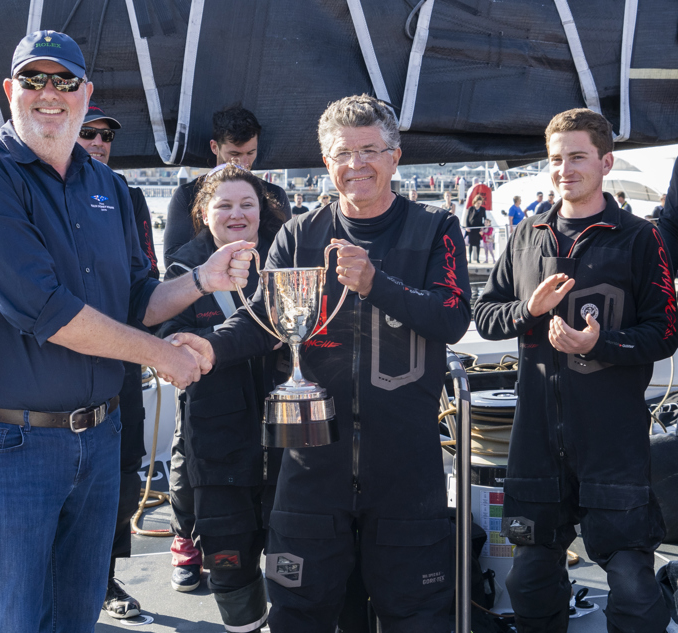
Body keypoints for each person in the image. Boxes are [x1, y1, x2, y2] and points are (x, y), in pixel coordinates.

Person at [0, 30, 250, 632]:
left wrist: (200, 281)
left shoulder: (108, 186)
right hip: (7, 444)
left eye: (64, 81)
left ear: (86, 93)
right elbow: (44, 309)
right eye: (33, 80)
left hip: (99, 439)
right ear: (10, 91)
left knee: (76, 617)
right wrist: (162, 357)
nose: (48, 93)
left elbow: (134, 300)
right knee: (8, 620)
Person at [170, 94, 471, 632]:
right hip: (310, 468)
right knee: (298, 617)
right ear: (326, 162)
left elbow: (451, 317)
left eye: (369, 150)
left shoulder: (437, 226)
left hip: (406, 473)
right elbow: (264, 319)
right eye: (341, 153)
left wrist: (377, 284)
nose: (356, 164)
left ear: (395, 156)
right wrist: (210, 347)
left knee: (417, 619)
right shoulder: (300, 234)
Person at [474, 108, 678, 633]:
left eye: (578, 157)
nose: (565, 168)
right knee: (530, 578)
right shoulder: (525, 237)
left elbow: (666, 332)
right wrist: (530, 313)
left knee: (632, 583)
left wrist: (601, 343)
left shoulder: (640, 239)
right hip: (536, 438)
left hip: (613, 441)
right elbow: (483, 314)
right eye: (556, 159)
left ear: (605, 162)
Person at [160, 165, 286, 633]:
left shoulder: (283, 258)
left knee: (293, 551)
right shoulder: (182, 271)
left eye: (247, 205)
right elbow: (171, 343)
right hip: (217, 439)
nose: (237, 214)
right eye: (224, 206)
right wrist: (245, 338)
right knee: (230, 564)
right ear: (204, 213)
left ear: (261, 210)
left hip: (288, 437)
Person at [74, 99, 161, 620]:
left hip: (122, 359)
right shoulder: (31, 188)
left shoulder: (127, 196)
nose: (99, 143)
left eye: (106, 135)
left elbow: (143, 274)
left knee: (122, 476)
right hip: (62, 363)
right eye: (89, 133)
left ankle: (104, 579)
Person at [162, 106, 290, 266]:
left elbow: (286, 254)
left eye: (250, 153)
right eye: (234, 154)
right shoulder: (187, 194)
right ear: (214, 147)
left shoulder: (275, 193)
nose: (243, 163)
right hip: (207, 286)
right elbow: (173, 260)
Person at [465, 194, 487, 263]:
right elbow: (467, 218)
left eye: (480, 203)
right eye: (478, 203)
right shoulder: (471, 208)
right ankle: (470, 258)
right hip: (471, 229)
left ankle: (477, 258)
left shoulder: (483, 209)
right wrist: (467, 227)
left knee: (477, 244)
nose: (479, 204)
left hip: (478, 229)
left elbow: (485, 219)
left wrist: (483, 228)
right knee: (471, 244)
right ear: (475, 202)